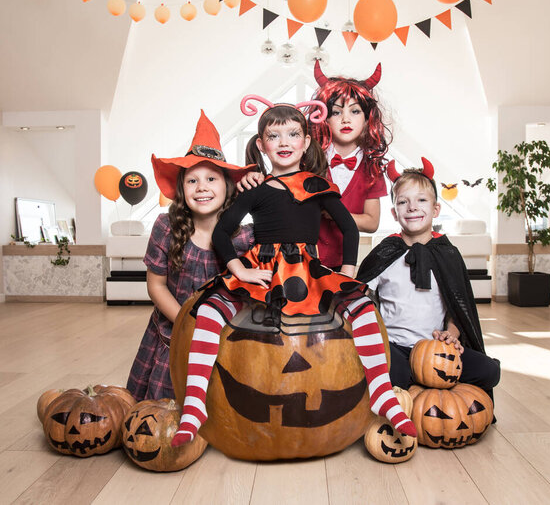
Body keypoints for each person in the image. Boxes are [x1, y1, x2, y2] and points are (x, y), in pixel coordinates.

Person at [171, 96, 416, 447]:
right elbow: (222, 232)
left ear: (305, 142)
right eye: (274, 136)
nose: (284, 143)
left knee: (361, 307)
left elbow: (348, 228)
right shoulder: (255, 189)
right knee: (209, 308)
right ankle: (194, 405)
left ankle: (381, 392)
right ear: (261, 145)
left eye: (292, 134)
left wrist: (345, 273)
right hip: (264, 267)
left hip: (307, 269)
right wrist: (239, 269)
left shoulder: (318, 186)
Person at [126, 111, 256, 402]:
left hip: (224, 337)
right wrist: (188, 324)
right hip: (174, 334)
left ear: (228, 186)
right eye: (192, 181)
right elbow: (156, 285)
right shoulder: (166, 228)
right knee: (163, 411)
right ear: (182, 190)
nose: (202, 188)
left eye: (211, 178)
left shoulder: (245, 238)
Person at [356, 158, 500, 398]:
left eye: (421, 200)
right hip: (394, 347)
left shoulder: (448, 253)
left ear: (436, 210)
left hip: (436, 348)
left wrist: (452, 333)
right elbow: (361, 294)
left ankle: (420, 385)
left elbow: (458, 305)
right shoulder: (385, 251)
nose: (412, 207)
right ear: (394, 212)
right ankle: (419, 385)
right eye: (403, 202)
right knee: (391, 376)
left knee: (489, 371)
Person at [238, 62, 390, 271]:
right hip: (297, 262)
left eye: (355, 111)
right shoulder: (303, 158)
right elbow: (275, 187)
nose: (346, 119)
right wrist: (252, 176)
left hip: (340, 263)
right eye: (336, 112)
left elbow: (372, 223)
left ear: (367, 118)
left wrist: (333, 212)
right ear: (324, 118)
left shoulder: (372, 169)